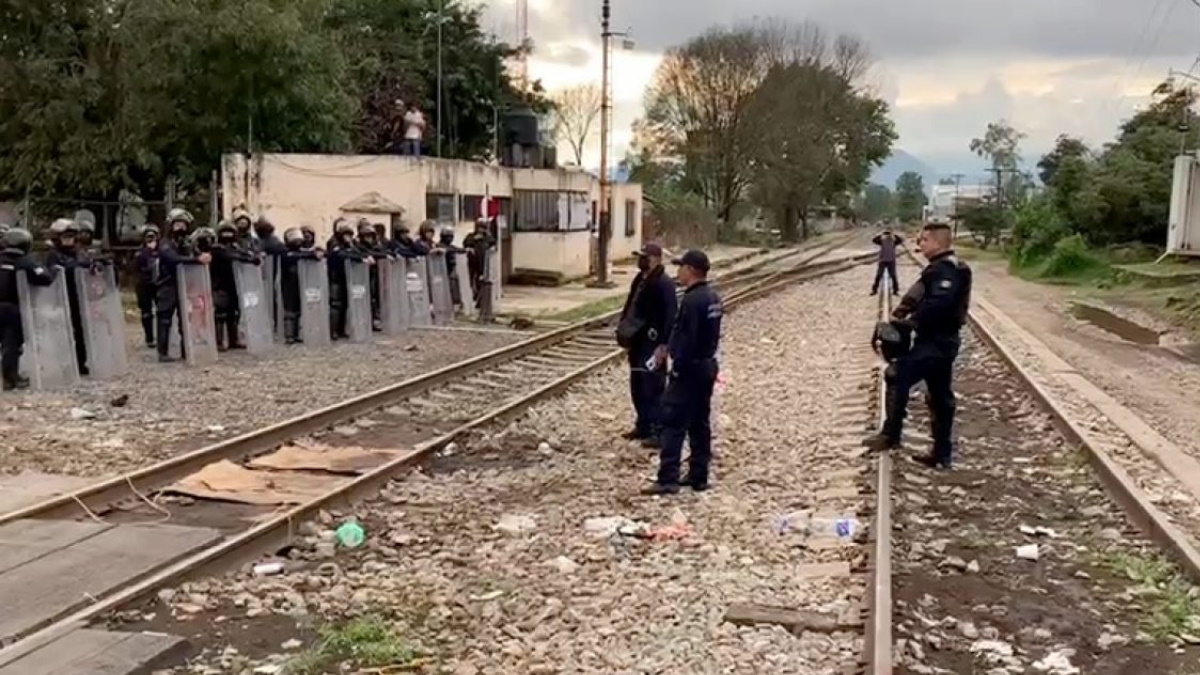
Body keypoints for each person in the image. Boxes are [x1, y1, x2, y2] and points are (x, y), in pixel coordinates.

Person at [863, 222, 972, 469]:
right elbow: (918, 293)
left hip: (938, 341)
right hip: (938, 341)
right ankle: (941, 454)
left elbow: (938, 305)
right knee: (940, 395)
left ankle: (891, 435)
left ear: (936, 242)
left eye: (923, 240)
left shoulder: (947, 270)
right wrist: (901, 312)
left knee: (897, 374)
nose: (919, 244)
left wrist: (910, 323)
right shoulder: (939, 268)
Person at [644, 249, 722, 496]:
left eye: (681, 267)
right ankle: (699, 475)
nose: (678, 272)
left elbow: (686, 338)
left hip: (689, 370)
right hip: (707, 365)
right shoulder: (713, 298)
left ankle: (668, 478)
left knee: (673, 422)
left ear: (690, 270)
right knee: (700, 422)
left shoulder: (691, 300)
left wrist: (674, 362)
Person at [617, 243, 677, 447]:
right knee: (637, 384)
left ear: (656, 259)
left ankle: (658, 431)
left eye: (645, 257)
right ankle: (643, 424)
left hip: (653, 342)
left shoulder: (664, 283)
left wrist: (664, 345)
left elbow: (670, 316)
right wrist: (624, 330)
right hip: (637, 338)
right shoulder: (640, 279)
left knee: (654, 387)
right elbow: (630, 306)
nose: (641, 260)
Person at [0, 228, 58, 390]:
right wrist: (54, 270)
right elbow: (44, 278)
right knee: (11, 343)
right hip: (13, 308)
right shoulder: (25, 261)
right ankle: (10, 378)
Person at [156, 209, 212, 362]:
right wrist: (196, 260)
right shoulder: (165, 243)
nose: (180, 227)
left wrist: (201, 254)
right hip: (167, 284)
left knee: (185, 318)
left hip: (186, 284)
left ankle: (186, 349)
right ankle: (163, 352)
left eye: (183, 224)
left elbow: (197, 254)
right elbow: (172, 259)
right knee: (165, 318)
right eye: (177, 224)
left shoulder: (187, 243)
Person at [45, 218, 93, 376]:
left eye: (71, 236)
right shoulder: (54, 255)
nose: (69, 240)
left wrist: (97, 266)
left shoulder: (80, 253)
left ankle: (81, 362)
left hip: (80, 298)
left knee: (81, 331)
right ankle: (63, 363)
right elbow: (54, 272)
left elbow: (88, 266)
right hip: (62, 298)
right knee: (63, 332)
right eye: (65, 236)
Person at [209, 221, 261, 351]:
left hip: (234, 284)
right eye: (225, 232)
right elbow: (230, 256)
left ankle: (233, 339)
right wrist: (249, 259)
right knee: (220, 314)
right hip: (219, 284)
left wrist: (252, 256)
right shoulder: (216, 248)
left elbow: (241, 253)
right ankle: (218, 341)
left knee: (234, 313)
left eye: (230, 232)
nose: (227, 235)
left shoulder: (235, 246)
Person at [327, 220, 373, 340]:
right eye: (346, 235)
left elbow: (357, 252)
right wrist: (360, 258)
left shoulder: (350, 245)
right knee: (336, 305)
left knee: (345, 305)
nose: (348, 238)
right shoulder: (334, 243)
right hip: (335, 277)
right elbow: (341, 255)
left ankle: (341, 330)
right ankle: (333, 331)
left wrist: (364, 256)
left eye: (349, 235)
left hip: (347, 277)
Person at [279, 227, 324, 344]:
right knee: (290, 310)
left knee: (298, 309)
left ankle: (296, 334)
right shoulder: (285, 252)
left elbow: (310, 253)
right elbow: (293, 256)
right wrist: (310, 255)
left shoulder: (302, 251)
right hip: (288, 284)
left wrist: (316, 253)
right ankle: (289, 335)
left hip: (300, 282)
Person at [134, 225, 161, 348]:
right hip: (144, 285)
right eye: (148, 236)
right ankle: (149, 338)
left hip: (158, 283)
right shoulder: (140, 252)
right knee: (146, 312)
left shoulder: (161, 250)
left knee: (162, 310)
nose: (150, 239)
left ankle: (162, 337)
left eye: (153, 236)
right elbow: (136, 267)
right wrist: (148, 250)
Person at [871, 228, 902, 296]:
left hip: (891, 260)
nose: (888, 235)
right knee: (879, 275)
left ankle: (895, 290)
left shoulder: (894, 241)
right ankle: (874, 290)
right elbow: (874, 240)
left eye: (888, 234)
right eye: (887, 234)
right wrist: (881, 234)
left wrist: (893, 234)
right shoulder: (882, 240)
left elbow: (900, 240)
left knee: (893, 276)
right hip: (883, 260)